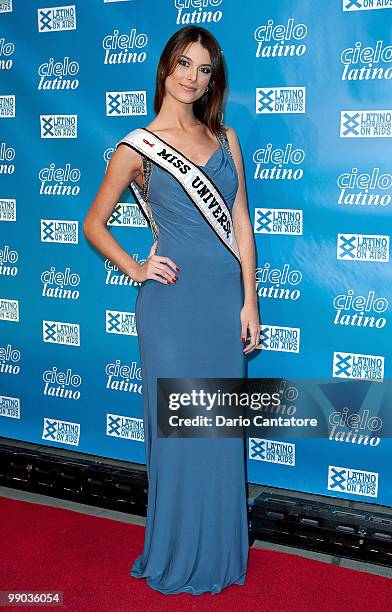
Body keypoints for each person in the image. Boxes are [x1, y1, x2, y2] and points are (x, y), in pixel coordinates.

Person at [83, 25, 260, 595]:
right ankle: (177, 553)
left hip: (222, 304)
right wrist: (136, 267)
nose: (193, 76)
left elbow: (242, 226)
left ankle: (220, 552)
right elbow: (94, 224)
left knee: (220, 431)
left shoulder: (225, 138)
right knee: (183, 433)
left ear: (213, 79)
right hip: (171, 308)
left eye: (204, 68)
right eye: (185, 63)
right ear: (165, 67)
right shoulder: (137, 147)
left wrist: (250, 301)